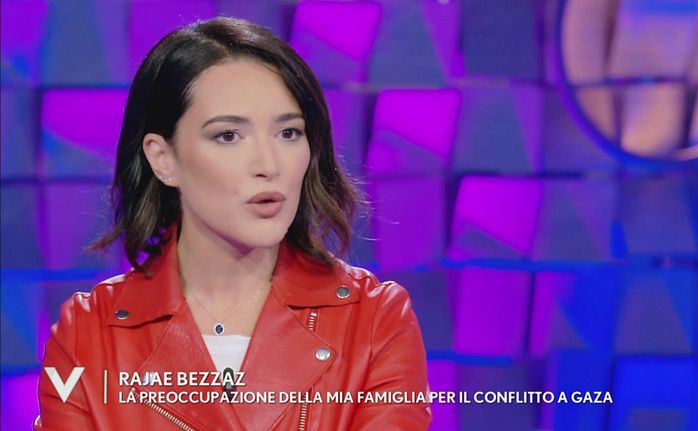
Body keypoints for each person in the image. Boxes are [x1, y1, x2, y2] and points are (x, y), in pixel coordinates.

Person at [35, 16, 431, 430]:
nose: (269, 165)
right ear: (163, 159)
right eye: (228, 135)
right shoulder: (88, 335)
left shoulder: (373, 320)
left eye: (289, 133)